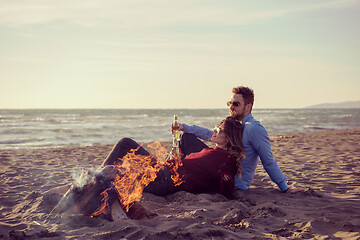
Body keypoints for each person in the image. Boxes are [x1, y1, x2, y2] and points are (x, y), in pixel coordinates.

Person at [49, 116, 245, 220]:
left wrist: (230, 189)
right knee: (125, 143)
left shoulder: (224, 160)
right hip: (164, 169)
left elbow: (227, 186)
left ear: (228, 138)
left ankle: (65, 207)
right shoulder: (211, 150)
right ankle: (86, 188)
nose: (214, 132)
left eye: (219, 131)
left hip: (166, 179)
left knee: (108, 173)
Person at [174, 86, 303, 193]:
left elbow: (268, 161)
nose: (231, 107)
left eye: (236, 104)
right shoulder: (235, 125)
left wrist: (284, 188)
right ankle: (177, 174)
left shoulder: (254, 129)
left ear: (248, 107)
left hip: (229, 182)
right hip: (217, 167)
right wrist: (183, 127)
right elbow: (210, 135)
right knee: (186, 138)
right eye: (230, 103)